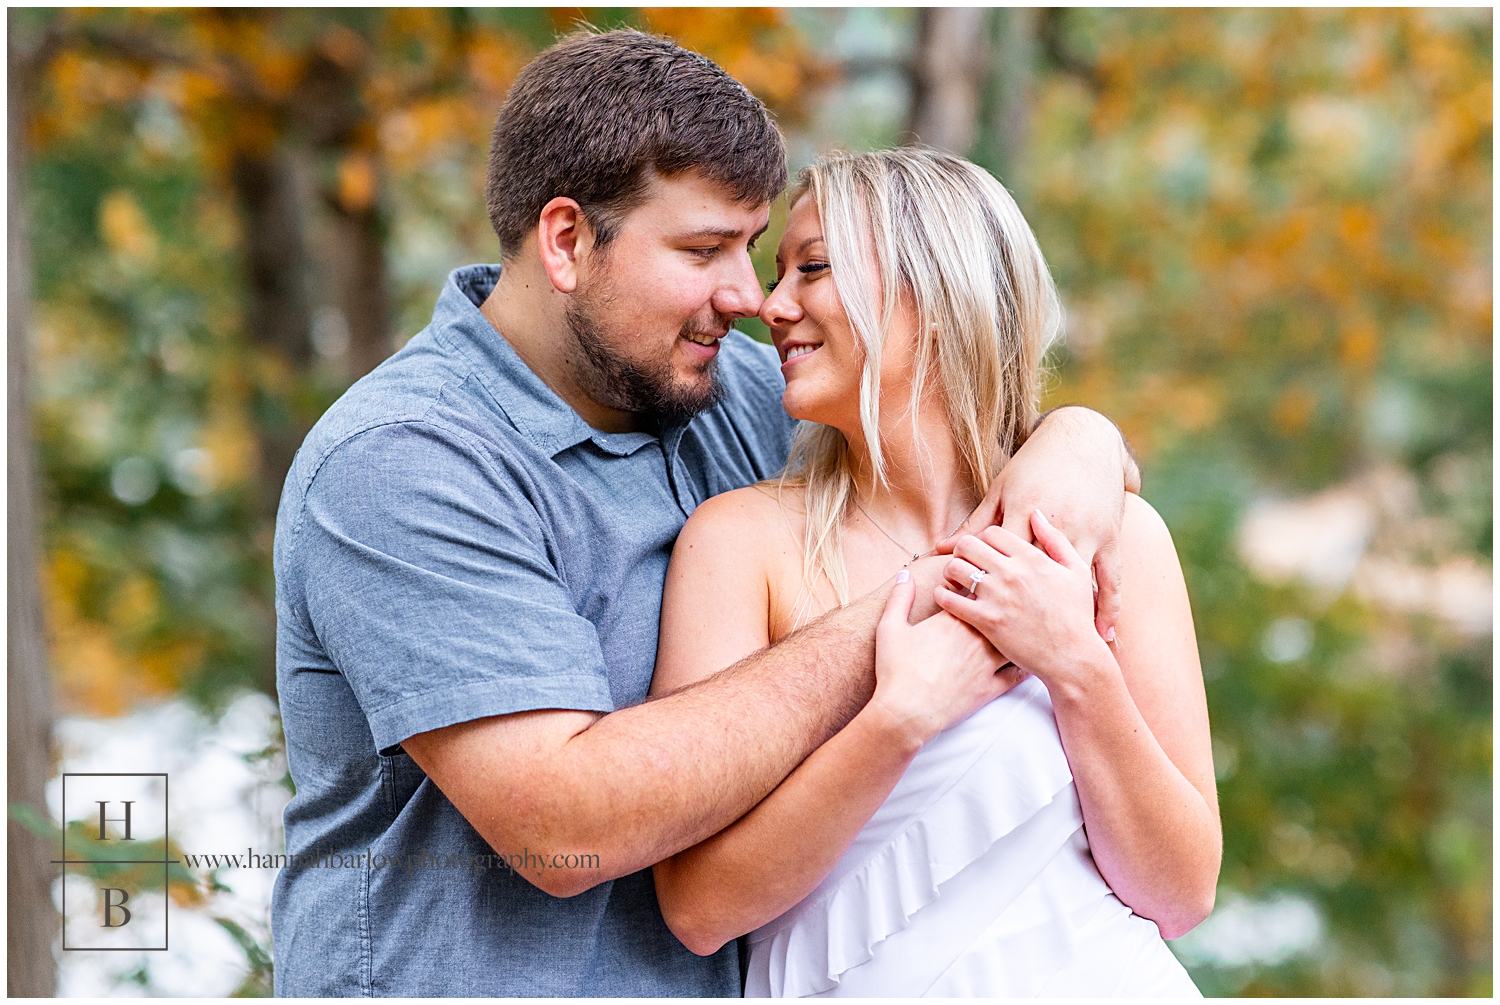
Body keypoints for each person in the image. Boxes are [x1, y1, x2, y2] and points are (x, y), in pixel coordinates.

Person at [271, 30, 1141, 997]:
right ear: (566, 242)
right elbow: (562, 830)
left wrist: (1082, 439)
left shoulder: (737, 396)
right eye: (702, 250)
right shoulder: (405, 462)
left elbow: (954, 417)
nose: (748, 297)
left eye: (754, 248)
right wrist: (927, 601)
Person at [649, 148, 1220, 996]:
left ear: (938, 294)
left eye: (812, 268)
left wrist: (1076, 665)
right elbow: (698, 907)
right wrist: (899, 719)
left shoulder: (1116, 538)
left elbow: (1181, 894)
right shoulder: (739, 545)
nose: (770, 306)